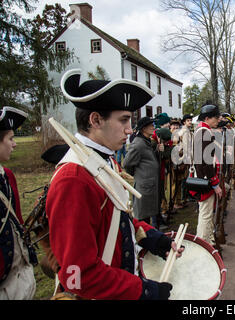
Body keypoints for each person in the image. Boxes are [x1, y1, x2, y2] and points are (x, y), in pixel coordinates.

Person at [46, 69, 183, 300]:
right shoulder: (74, 178)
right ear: (96, 120)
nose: (130, 130)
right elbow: (77, 276)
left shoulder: (101, 160)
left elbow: (116, 219)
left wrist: (152, 237)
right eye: (123, 120)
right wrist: (142, 291)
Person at [0, 107, 37, 300]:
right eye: (10, 139)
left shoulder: (7, 176)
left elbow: (17, 220)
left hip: (18, 273)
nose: (14, 144)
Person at [190, 104, 222, 247]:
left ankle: (208, 241)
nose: (219, 119)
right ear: (207, 118)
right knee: (205, 215)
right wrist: (214, 183)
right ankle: (202, 245)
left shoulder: (202, 131)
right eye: (216, 117)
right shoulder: (204, 133)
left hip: (204, 178)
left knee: (207, 213)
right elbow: (206, 163)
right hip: (205, 180)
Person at [123, 117, 160, 227]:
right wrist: (138, 174)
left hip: (149, 185)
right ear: (143, 128)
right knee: (143, 219)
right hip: (144, 186)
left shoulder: (146, 141)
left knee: (148, 217)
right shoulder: (138, 143)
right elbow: (127, 163)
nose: (153, 126)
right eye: (150, 125)